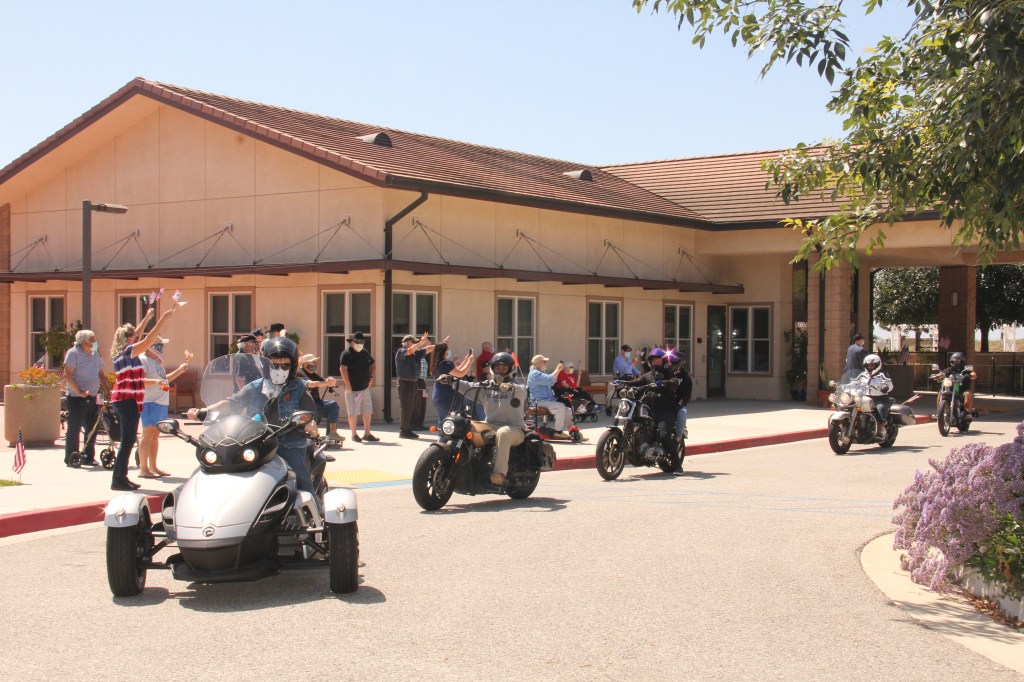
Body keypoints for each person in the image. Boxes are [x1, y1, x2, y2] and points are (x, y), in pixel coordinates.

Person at [188, 336, 320, 507]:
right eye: (274, 364)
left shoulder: (298, 387)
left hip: (289, 443)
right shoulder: (256, 386)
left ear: (292, 366)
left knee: (300, 477)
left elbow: (310, 414)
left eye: (284, 365)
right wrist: (205, 411)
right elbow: (232, 401)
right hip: (256, 443)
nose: (279, 369)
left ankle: (317, 514)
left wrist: (310, 425)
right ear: (266, 364)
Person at [109, 303, 177, 491]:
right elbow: (147, 342)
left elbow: (138, 334)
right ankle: (118, 479)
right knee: (128, 440)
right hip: (126, 400)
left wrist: (147, 318)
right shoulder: (127, 352)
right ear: (127, 339)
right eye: (132, 336)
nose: (136, 337)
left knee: (129, 440)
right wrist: (162, 319)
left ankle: (121, 477)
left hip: (128, 400)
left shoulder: (122, 351)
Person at [441, 351, 525, 487]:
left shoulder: (518, 388)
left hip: (514, 428)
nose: (500, 371)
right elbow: (468, 387)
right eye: (497, 367)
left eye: (504, 368)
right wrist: (452, 380)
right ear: (492, 368)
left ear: (511, 369)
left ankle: (499, 474)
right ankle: (462, 464)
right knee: (465, 426)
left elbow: (521, 390)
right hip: (490, 425)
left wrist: (510, 386)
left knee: (503, 433)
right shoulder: (486, 386)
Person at [619, 348, 688, 472]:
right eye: (654, 361)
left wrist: (666, 383)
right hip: (649, 410)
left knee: (664, 435)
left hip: (665, 411)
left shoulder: (669, 373)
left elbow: (674, 382)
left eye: (659, 361)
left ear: (664, 362)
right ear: (651, 362)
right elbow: (637, 381)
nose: (656, 363)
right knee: (637, 425)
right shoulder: (647, 375)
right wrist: (623, 382)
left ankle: (677, 465)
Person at [137, 339, 190, 478]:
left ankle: (153, 467)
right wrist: (156, 382)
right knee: (147, 435)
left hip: (161, 402)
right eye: (159, 345)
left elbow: (164, 380)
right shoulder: (143, 360)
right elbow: (140, 381)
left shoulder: (157, 361)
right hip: (149, 402)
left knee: (155, 435)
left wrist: (179, 370)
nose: (161, 349)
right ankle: (143, 469)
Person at [62, 329, 109, 467]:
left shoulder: (95, 354)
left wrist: (107, 389)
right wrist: (80, 391)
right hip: (77, 398)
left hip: (94, 396)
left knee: (92, 427)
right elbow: (67, 375)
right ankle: (71, 457)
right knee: (74, 428)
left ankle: (88, 456)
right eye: (92, 340)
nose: (95, 342)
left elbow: (101, 373)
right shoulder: (73, 353)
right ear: (83, 342)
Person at [395, 331, 447, 439]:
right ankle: (404, 431)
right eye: (413, 343)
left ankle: (409, 429)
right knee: (406, 408)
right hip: (405, 383)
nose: (416, 344)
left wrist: (441, 345)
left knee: (413, 407)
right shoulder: (401, 352)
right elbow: (409, 351)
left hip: (414, 383)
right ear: (408, 343)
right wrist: (420, 343)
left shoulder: (415, 353)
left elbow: (428, 349)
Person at [339, 332, 379, 443]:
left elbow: (373, 363)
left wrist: (371, 378)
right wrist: (347, 384)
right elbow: (343, 369)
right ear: (352, 342)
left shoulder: (364, 352)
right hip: (353, 389)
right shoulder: (346, 354)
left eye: (362, 342)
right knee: (353, 412)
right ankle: (354, 434)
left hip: (365, 387)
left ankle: (367, 433)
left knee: (367, 410)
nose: (360, 344)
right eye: (358, 342)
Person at [296, 354, 343, 445]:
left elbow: (324, 381)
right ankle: (323, 435)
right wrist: (326, 383)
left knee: (333, 405)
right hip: (306, 406)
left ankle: (332, 433)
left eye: (315, 362)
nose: (315, 363)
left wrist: (331, 381)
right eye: (313, 361)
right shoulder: (300, 373)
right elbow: (311, 384)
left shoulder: (313, 374)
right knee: (331, 405)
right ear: (305, 363)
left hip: (316, 404)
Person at [527, 355, 576, 439]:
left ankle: (572, 431)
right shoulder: (534, 373)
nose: (546, 363)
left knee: (567, 410)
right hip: (538, 401)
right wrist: (558, 370)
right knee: (560, 407)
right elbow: (548, 380)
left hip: (546, 400)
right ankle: (558, 432)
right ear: (538, 363)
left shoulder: (541, 373)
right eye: (544, 362)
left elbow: (551, 382)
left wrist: (557, 372)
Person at [428, 342, 474, 425]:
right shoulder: (445, 363)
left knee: (445, 421)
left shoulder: (438, 363)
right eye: (447, 349)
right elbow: (461, 373)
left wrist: (466, 360)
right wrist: (470, 362)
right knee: (451, 422)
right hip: (447, 397)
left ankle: (442, 437)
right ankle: (444, 437)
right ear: (444, 351)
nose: (449, 350)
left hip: (440, 396)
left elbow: (457, 370)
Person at [855, 353, 894, 430]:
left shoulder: (883, 374)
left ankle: (880, 429)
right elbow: (855, 382)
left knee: (880, 409)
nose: (870, 367)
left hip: (880, 398)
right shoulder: (863, 375)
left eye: (872, 365)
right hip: (865, 398)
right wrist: (846, 386)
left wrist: (886, 387)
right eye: (868, 365)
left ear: (877, 365)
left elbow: (890, 384)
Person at [942, 351, 977, 416]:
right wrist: (938, 375)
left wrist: (972, 375)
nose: (955, 363)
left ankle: (968, 413)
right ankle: (939, 411)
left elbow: (973, 374)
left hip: (962, 390)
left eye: (957, 362)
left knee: (968, 394)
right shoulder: (949, 370)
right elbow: (942, 373)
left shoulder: (966, 370)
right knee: (940, 392)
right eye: (954, 362)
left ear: (962, 362)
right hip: (950, 389)